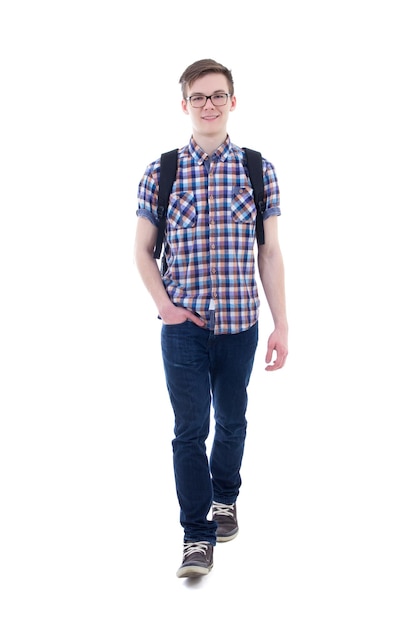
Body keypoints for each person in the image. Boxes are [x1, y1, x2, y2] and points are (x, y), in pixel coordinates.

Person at [134, 58, 288, 578]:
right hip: (184, 330)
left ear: (233, 101)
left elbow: (270, 253)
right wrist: (165, 308)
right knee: (188, 430)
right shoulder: (162, 172)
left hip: (240, 326)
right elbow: (141, 252)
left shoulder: (256, 169)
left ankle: (226, 497)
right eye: (198, 97)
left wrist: (281, 324)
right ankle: (196, 536)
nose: (208, 105)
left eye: (218, 95)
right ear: (184, 105)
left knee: (232, 420)